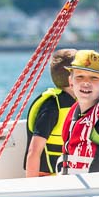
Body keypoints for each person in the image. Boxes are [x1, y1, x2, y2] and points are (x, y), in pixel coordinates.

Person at [25, 48, 77, 177]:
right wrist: (32, 189)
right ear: (72, 77)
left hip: (68, 176)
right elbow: (34, 151)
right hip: (47, 179)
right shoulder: (52, 107)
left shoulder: (81, 103)